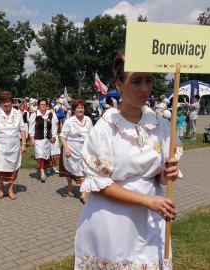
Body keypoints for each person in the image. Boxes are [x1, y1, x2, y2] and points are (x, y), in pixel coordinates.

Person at [74, 52, 183, 269]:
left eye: (148, 80)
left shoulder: (161, 125)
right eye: (136, 81)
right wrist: (147, 200)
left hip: (151, 217)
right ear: (119, 85)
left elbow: (156, 175)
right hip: (112, 218)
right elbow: (99, 185)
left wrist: (165, 174)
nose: (145, 88)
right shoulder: (105, 128)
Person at [0, 91, 26, 200]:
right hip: (0, 146)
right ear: (0, 103)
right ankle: (1, 188)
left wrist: (23, 144)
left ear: (11, 102)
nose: (6, 104)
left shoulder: (17, 113)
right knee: (1, 168)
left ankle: (10, 189)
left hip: (14, 146)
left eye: (8, 102)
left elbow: (22, 130)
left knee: (13, 167)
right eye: (4, 102)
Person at [59, 99, 93, 201]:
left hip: (85, 150)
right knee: (71, 170)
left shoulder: (88, 120)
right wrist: (66, 148)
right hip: (72, 149)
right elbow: (62, 136)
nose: (80, 110)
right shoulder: (69, 121)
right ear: (74, 110)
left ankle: (83, 195)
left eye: (82, 108)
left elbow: (92, 134)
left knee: (84, 171)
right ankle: (70, 187)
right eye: (78, 108)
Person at [29, 98, 58, 182]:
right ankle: (42, 172)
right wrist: (32, 137)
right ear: (38, 106)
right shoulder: (35, 115)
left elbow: (53, 126)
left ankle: (44, 169)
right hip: (38, 139)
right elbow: (31, 127)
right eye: (41, 104)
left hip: (47, 140)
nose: (43, 106)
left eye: (44, 105)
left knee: (45, 156)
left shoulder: (50, 114)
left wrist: (53, 135)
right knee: (40, 155)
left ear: (47, 106)